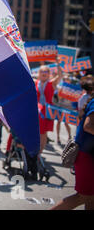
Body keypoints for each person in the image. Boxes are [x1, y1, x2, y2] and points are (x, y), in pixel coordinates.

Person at [51, 80, 94, 210]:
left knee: (91, 198)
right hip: (86, 155)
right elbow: (88, 126)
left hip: (87, 153)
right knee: (83, 197)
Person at [35, 63, 62, 155]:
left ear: (49, 73)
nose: (44, 73)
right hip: (36, 111)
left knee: (43, 133)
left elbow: (60, 76)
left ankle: (40, 152)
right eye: (42, 71)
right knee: (36, 131)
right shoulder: (35, 82)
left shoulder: (52, 83)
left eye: (46, 71)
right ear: (39, 73)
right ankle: (35, 150)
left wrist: (58, 64)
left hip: (47, 112)